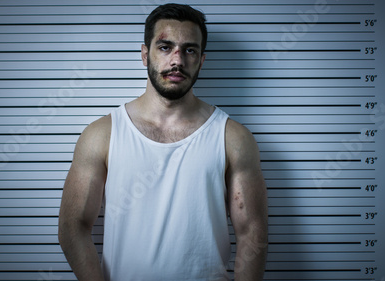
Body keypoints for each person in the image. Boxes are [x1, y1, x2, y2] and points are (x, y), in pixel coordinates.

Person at [58, 3, 268, 281]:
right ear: (145, 54)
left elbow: (252, 232)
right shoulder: (102, 134)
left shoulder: (233, 137)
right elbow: (73, 226)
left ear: (201, 60)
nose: (177, 60)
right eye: (165, 47)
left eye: (189, 50)